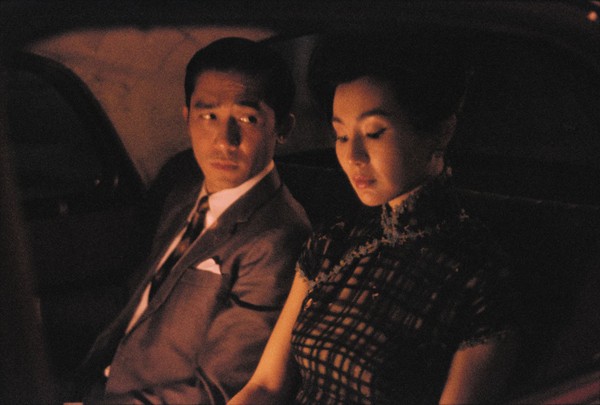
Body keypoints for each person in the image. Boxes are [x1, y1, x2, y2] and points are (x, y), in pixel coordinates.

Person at [230, 35, 520, 404]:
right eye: (341, 135)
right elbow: (265, 386)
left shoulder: (478, 274)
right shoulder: (335, 239)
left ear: (441, 131)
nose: (353, 156)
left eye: (374, 133)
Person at [73, 37, 311, 404]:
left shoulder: (277, 238)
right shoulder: (184, 194)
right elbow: (143, 303)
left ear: (283, 128)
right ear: (187, 118)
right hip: (97, 380)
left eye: (247, 119)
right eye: (208, 116)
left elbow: (216, 392)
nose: (224, 141)